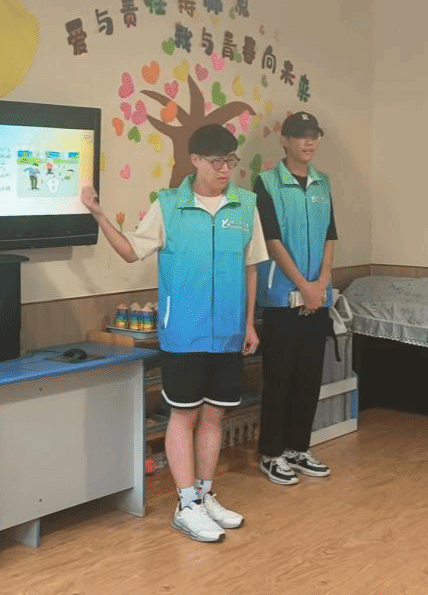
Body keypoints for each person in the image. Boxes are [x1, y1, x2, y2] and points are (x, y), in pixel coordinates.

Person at [81, 124, 268, 543]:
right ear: (195, 160)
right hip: (184, 333)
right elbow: (131, 252)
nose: (224, 170)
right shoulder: (168, 206)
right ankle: (185, 504)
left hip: (228, 333)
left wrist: (248, 323)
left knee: (216, 415)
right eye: (216, 162)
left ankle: (204, 494)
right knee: (184, 415)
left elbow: (251, 267)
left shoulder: (245, 205)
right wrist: (99, 215)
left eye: (230, 161)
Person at [254, 111, 337, 485]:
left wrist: (321, 284)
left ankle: (297, 448)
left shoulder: (322, 182)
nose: (309, 142)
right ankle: (271, 453)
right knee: (280, 378)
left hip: (317, 296)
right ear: (284, 140)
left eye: (314, 135)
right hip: (281, 297)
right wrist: (303, 286)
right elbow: (271, 240)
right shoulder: (267, 183)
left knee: (309, 377)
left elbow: (330, 236)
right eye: (301, 136)